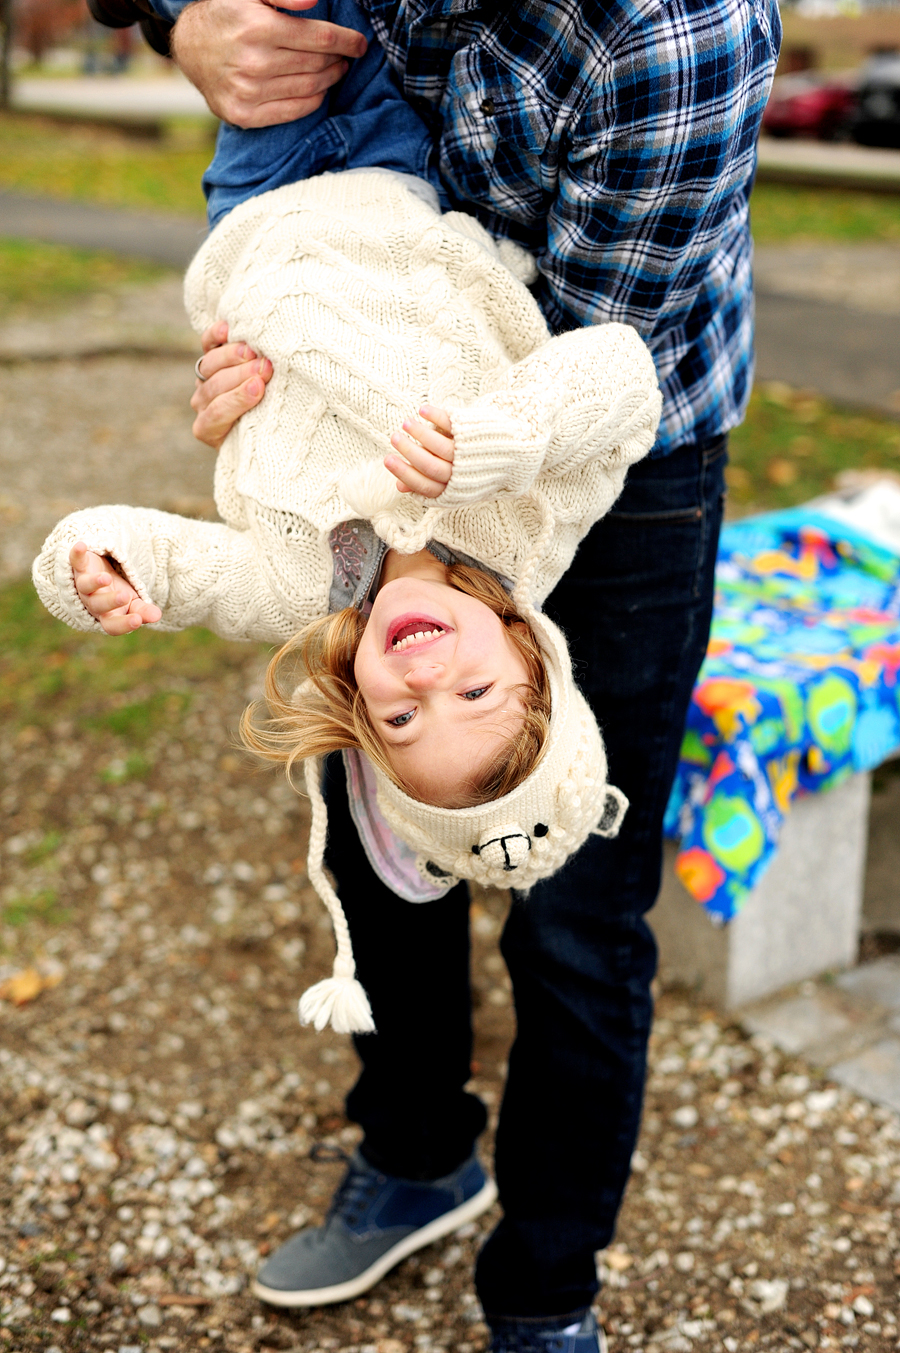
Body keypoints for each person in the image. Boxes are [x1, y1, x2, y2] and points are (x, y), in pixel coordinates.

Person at [79, 0, 783, 1348]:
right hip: (376, 399)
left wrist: (307, 365)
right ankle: (416, 1151)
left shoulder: (673, 33)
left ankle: (545, 1291)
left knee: (577, 909)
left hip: (603, 437)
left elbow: (590, 381)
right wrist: (179, 24)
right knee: (382, 796)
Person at [34, 166, 661, 1036]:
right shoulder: (526, 524)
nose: (423, 679)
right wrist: (497, 441)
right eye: (475, 694)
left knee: (249, 32)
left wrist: (95, 566)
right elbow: (623, 375)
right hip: (387, 159)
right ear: (531, 652)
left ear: (360, 712)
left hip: (257, 205)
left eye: (401, 721)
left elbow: (176, 569)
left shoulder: (302, 591)